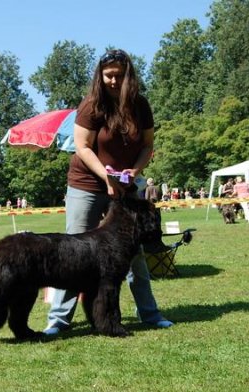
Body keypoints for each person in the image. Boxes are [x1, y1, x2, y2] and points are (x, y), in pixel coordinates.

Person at [44, 48, 172, 335]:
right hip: (87, 184)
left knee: (134, 251)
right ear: (99, 76)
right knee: (74, 250)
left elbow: (147, 146)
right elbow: (83, 146)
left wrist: (135, 172)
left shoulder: (140, 105)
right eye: (108, 75)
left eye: (119, 75)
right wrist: (105, 176)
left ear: (129, 76)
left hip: (126, 185)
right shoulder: (91, 105)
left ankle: (149, 314)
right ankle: (59, 320)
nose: (113, 81)